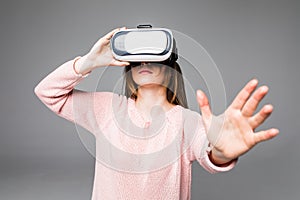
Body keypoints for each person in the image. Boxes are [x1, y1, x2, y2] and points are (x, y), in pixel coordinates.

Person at [34, 27, 279, 200]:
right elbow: (47, 92)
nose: (144, 63)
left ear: (171, 69)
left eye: (153, 58)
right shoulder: (106, 108)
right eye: (137, 59)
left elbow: (209, 153)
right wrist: (88, 62)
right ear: (128, 69)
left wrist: (221, 153)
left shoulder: (187, 121)